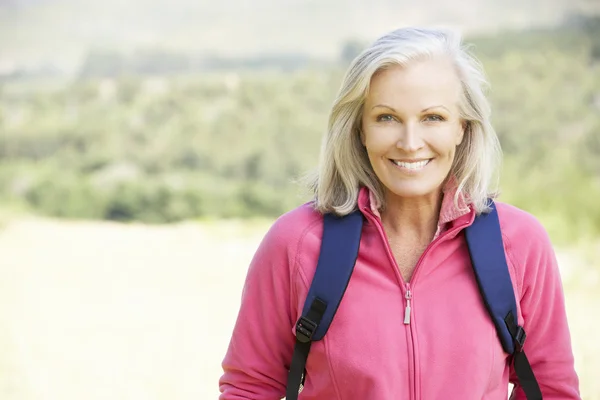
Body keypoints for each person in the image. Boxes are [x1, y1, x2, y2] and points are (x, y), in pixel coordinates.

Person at [218, 27, 580, 399]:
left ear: (463, 127)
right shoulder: (295, 245)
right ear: (360, 128)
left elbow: (550, 391)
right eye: (387, 118)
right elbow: (250, 388)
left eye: (433, 118)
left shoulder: (519, 245)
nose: (409, 143)